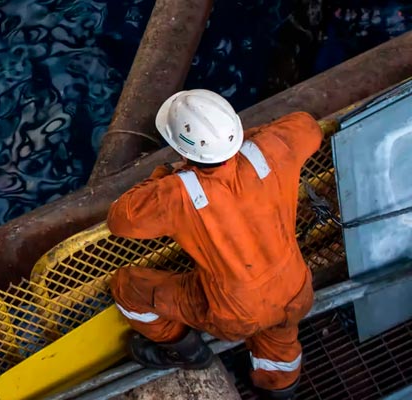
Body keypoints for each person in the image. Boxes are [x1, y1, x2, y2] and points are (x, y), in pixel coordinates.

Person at [107, 89, 323, 399]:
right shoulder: (273, 149)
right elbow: (307, 125)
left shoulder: (176, 193)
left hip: (235, 314)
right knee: (280, 338)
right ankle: (281, 388)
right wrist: (249, 140)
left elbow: (120, 219)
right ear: (233, 128)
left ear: (182, 149)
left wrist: (165, 174)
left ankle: (184, 348)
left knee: (128, 287)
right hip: (296, 289)